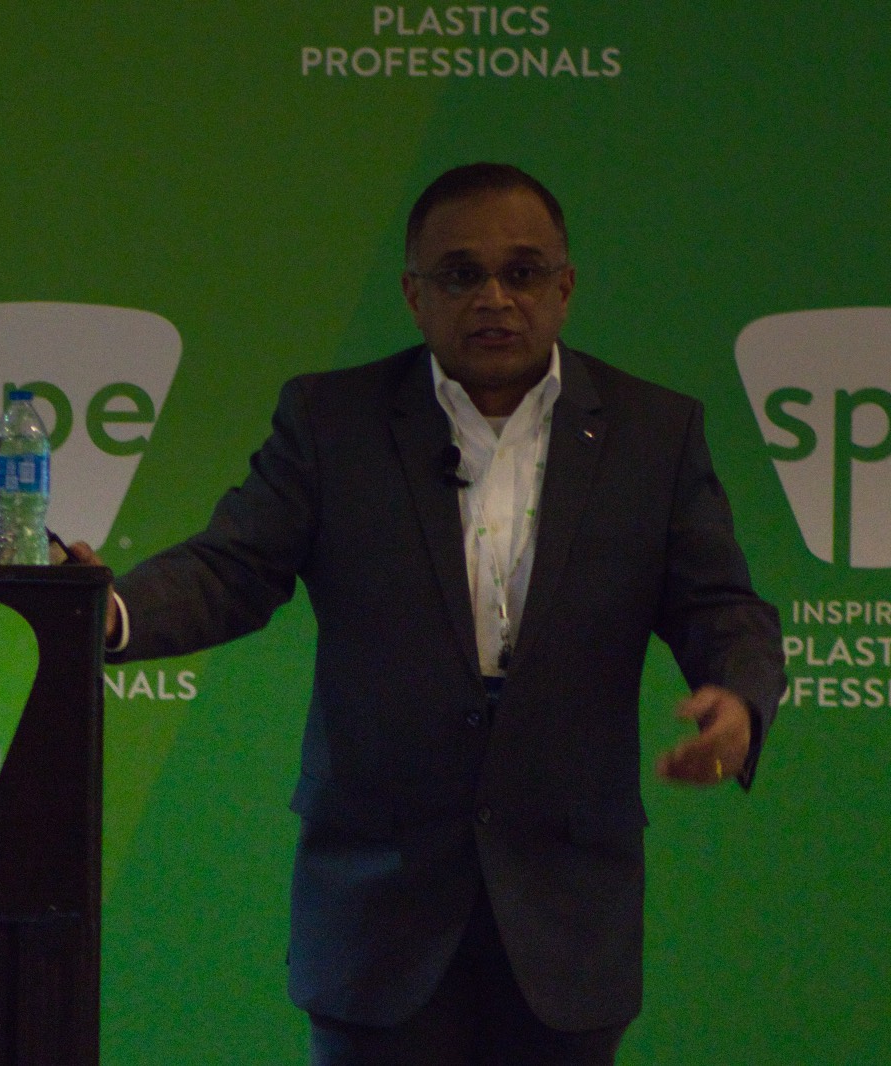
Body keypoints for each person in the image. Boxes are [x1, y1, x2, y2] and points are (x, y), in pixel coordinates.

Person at [68, 163, 784, 1065]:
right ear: (414, 295)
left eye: (522, 272)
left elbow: (720, 604)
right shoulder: (331, 420)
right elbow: (231, 566)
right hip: (379, 910)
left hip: (568, 913)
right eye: (460, 274)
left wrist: (740, 700)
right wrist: (107, 611)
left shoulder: (654, 431)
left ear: (565, 288)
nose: (494, 298)